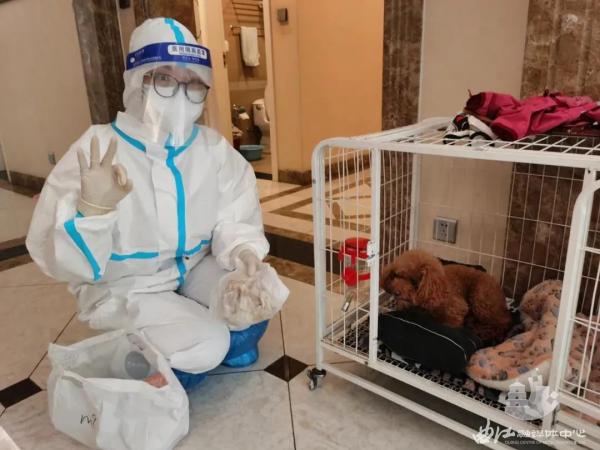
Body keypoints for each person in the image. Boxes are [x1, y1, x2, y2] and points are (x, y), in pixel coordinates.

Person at [26, 18, 277, 386]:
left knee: (254, 299)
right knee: (211, 343)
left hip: (191, 267)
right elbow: (63, 261)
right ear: (137, 81)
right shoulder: (98, 148)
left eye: (192, 82)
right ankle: (133, 364)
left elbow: (233, 213)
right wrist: (91, 214)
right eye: (164, 79)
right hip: (128, 285)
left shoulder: (211, 148)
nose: (180, 93)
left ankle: (168, 351)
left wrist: (244, 251)